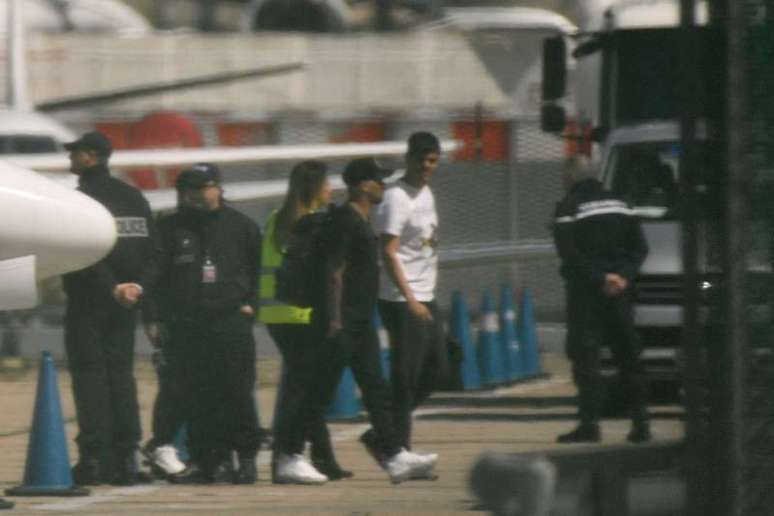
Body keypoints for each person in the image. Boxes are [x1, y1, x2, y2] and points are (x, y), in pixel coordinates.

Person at [304, 157, 439, 484]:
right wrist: (335, 320)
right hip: (344, 323)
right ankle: (291, 451)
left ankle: (394, 457)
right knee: (318, 394)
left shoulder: (362, 220)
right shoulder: (347, 221)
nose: (383, 185)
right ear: (363, 185)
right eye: (378, 180)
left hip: (362, 322)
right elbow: (333, 272)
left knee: (376, 390)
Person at [145, 163, 262, 484]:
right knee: (196, 394)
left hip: (230, 321)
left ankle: (246, 455)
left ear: (217, 188)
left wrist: (252, 305)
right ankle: (208, 459)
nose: (193, 196)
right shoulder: (169, 228)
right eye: (187, 190)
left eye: (200, 188)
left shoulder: (242, 227)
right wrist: (153, 317)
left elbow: (258, 269)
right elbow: (154, 275)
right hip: (186, 324)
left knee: (237, 391)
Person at [62, 131, 158, 485]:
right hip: (126, 305)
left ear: (91, 157)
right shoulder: (134, 197)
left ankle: (94, 459)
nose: (71, 159)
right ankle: (126, 458)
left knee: (90, 379)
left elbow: (81, 253)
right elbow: (152, 252)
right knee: (121, 378)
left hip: (89, 304)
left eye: (75, 153)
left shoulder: (78, 201)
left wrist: (110, 288)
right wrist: (136, 289)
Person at [258, 160, 350, 484]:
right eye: (326, 184)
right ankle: (289, 455)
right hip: (301, 316)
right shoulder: (315, 224)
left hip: (275, 314)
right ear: (314, 188)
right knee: (303, 390)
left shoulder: (275, 219)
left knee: (298, 387)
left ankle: (306, 456)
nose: (331, 189)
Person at [552, 156, 651, 443]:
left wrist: (600, 278)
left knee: (587, 362)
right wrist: (622, 277)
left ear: (571, 176)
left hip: (586, 297)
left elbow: (569, 254)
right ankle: (641, 425)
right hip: (621, 294)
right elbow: (640, 248)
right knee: (629, 359)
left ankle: (589, 425)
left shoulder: (568, 207)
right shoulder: (622, 203)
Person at [374, 131, 449, 453]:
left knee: (437, 368)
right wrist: (412, 299)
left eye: (432, 160)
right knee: (405, 375)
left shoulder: (426, 194)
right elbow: (388, 251)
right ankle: (398, 448)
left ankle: (385, 431)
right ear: (408, 159)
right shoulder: (397, 198)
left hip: (425, 293)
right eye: (420, 159)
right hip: (402, 298)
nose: (426, 166)